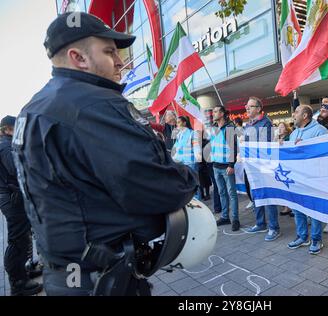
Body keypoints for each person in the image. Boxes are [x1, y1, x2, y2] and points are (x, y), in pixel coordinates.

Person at [12, 12, 198, 295]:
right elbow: (157, 186)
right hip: (102, 277)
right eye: (110, 51)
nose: (121, 61)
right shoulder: (93, 104)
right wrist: (187, 177)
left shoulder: (33, 109)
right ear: (79, 58)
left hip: (64, 274)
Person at [0, 116, 43, 296]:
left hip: (12, 196)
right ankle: (18, 284)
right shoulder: (5, 146)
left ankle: (24, 272)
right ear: (8, 129)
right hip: (12, 198)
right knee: (17, 240)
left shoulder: (6, 143)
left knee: (23, 237)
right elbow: (16, 170)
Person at [286, 105, 328, 254]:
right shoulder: (294, 133)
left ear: (305, 116)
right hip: (297, 177)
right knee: (298, 208)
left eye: (296, 112)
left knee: (314, 209)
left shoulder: (320, 130)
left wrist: (304, 148)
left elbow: (326, 154)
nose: (293, 114)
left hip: (314, 178)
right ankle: (302, 236)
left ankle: (316, 239)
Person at [243, 97, 281, 241]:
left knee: (268, 196)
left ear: (258, 108)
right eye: (247, 106)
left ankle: (274, 228)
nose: (247, 108)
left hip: (263, 166)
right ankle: (260, 223)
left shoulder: (266, 123)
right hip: (251, 166)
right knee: (255, 195)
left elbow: (266, 146)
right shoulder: (248, 125)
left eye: (250, 106)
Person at [210, 105, 240, 231]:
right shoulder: (213, 128)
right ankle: (224, 216)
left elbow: (233, 148)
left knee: (231, 193)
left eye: (216, 112)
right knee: (222, 193)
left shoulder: (229, 127)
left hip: (227, 167)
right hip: (216, 166)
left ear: (222, 114)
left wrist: (231, 165)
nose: (213, 114)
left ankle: (235, 219)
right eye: (213, 112)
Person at [172, 116, 202, 200]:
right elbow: (177, 148)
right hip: (181, 162)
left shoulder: (192, 133)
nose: (177, 124)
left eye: (178, 122)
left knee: (194, 183)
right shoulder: (179, 135)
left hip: (191, 162)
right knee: (186, 184)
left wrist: (197, 158)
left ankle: (198, 201)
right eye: (176, 122)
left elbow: (196, 147)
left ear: (184, 123)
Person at [277, 122, 293, 217]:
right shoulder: (278, 139)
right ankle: (286, 206)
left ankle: (289, 207)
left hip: (287, 166)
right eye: (278, 127)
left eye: (282, 127)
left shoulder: (288, 138)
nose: (279, 129)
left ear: (286, 129)